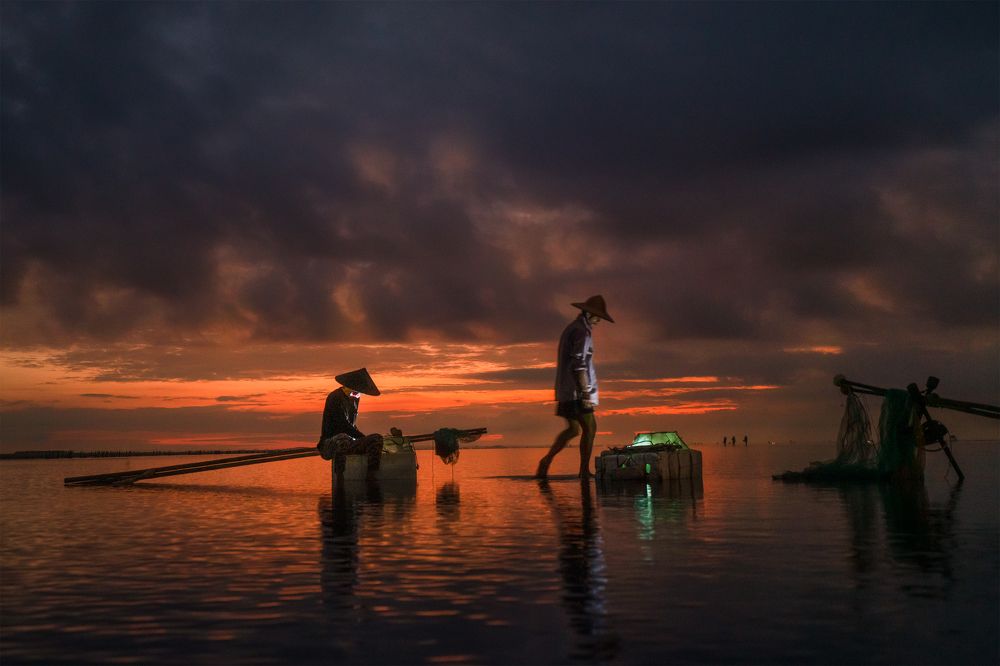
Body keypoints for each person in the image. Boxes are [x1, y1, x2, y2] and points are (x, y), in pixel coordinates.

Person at [536, 295, 615, 479]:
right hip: (577, 392)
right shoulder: (582, 331)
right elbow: (578, 363)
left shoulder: (572, 328)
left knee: (573, 429)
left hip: (566, 390)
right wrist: (585, 392)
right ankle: (584, 471)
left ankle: (546, 461)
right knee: (591, 428)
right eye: (596, 316)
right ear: (588, 313)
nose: (598, 320)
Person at [317, 367, 384, 481]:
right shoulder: (334, 397)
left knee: (376, 438)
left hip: (348, 442)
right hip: (330, 444)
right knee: (342, 438)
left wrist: (365, 439)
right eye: (357, 392)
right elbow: (343, 425)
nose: (358, 395)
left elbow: (351, 426)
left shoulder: (354, 399)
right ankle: (340, 478)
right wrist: (362, 437)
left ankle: (371, 476)